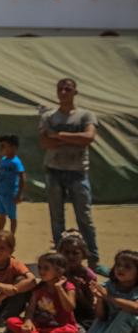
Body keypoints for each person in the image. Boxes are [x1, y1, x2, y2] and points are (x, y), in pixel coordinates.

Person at [39, 77, 105, 274]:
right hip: (54, 170)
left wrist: (58, 135)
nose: (64, 92)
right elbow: (44, 143)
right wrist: (72, 139)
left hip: (77, 172)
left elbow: (88, 138)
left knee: (84, 217)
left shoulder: (85, 116)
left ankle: (93, 260)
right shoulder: (49, 116)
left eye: (68, 89)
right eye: (60, 89)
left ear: (75, 92)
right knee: (57, 218)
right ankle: (61, 261)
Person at [7, 252, 78, 333]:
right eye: (40, 267)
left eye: (46, 268)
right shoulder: (39, 288)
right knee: (11, 321)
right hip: (40, 325)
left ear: (59, 271)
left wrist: (59, 288)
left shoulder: (68, 287)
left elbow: (69, 308)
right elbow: (30, 309)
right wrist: (28, 321)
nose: (41, 271)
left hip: (59, 327)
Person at [83, 250, 138, 333]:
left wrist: (108, 297)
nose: (121, 269)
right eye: (118, 265)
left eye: (127, 267)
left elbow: (135, 308)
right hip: (109, 326)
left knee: (128, 314)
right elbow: (101, 317)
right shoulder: (108, 286)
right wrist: (99, 298)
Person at [57, 231, 97, 333]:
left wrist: (78, 292)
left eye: (75, 253)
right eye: (66, 252)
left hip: (79, 313)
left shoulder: (89, 276)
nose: (70, 256)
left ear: (83, 254)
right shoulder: (56, 271)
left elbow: (89, 306)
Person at [0, 134, 26, 235]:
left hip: (10, 193)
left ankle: (12, 236)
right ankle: (0, 233)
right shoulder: (3, 160)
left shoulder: (16, 162)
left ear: (13, 147)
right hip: (1, 192)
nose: (1, 148)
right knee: (1, 214)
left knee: (12, 217)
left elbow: (22, 177)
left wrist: (19, 194)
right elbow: (0, 175)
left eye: (4, 146)